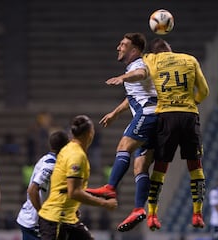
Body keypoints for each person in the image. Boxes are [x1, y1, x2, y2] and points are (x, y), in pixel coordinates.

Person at [105, 37, 210, 230]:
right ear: (171, 50)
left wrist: (123, 78)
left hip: (165, 117)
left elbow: (142, 78)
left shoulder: (152, 61)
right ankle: (197, 214)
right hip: (188, 116)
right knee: (195, 166)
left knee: (160, 167)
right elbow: (204, 90)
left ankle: (151, 214)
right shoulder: (190, 59)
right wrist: (193, 102)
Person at [86, 32, 158, 232]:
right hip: (155, 117)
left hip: (148, 114)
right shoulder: (133, 67)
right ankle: (138, 209)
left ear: (134, 50)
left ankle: (110, 189)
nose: (119, 47)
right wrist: (115, 112)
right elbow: (135, 93)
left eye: (123, 45)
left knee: (123, 146)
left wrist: (122, 77)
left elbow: (141, 74)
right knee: (140, 166)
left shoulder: (137, 65)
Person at [38, 115, 117, 240]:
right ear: (89, 133)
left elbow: (65, 184)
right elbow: (74, 192)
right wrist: (104, 203)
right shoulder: (77, 156)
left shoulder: (68, 149)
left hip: (68, 217)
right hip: (57, 219)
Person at [16, 130, 69, 240]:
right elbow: (32, 190)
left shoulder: (47, 159)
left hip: (35, 219)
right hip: (34, 223)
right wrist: (42, 214)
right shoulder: (50, 166)